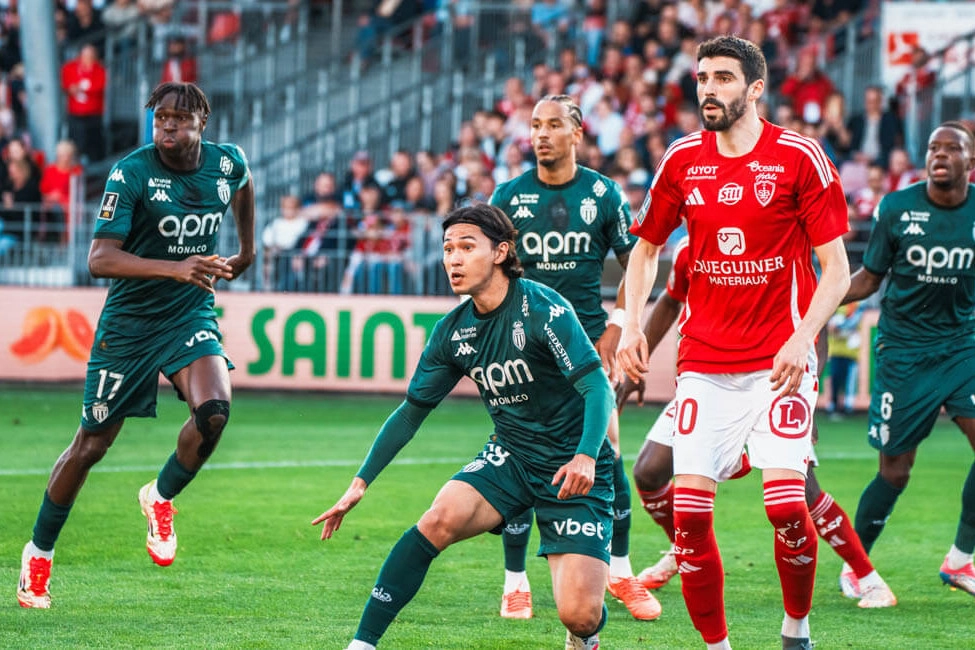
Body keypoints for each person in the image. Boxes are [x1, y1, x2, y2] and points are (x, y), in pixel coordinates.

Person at [617, 36, 851, 650]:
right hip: (704, 363)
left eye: (723, 77)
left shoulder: (800, 157)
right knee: (690, 517)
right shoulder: (681, 158)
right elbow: (645, 249)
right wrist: (633, 324)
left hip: (780, 363)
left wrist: (802, 338)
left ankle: (796, 631)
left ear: (755, 89)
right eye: (702, 78)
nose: (708, 89)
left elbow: (837, 270)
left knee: (786, 507)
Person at [314, 203, 616, 650]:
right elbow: (411, 413)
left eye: (467, 247)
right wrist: (360, 483)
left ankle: (583, 635)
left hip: (572, 467)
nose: (453, 259)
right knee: (438, 519)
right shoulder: (452, 332)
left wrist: (586, 456)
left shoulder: (542, 308)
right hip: (512, 457)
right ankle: (362, 644)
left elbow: (597, 387)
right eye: (447, 249)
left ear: (500, 252)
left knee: (580, 614)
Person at [17, 81, 255, 609]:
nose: (167, 126)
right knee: (91, 447)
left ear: (202, 124)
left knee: (214, 412)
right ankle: (39, 553)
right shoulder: (132, 173)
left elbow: (243, 183)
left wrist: (247, 251)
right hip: (129, 325)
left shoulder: (226, 162)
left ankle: (160, 496)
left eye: (179, 118)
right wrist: (176, 267)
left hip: (188, 313)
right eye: (160, 117)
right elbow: (99, 259)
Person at [618, 236, 896, 609]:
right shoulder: (689, 248)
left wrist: (807, 396)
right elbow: (670, 300)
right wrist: (638, 363)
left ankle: (868, 577)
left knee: (801, 493)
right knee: (649, 471)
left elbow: (814, 323)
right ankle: (681, 552)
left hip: (774, 379)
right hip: (709, 378)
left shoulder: (778, 241)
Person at [489, 94, 660, 622]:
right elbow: (494, 272)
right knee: (519, 455)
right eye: (535, 125)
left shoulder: (603, 193)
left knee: (607, 454)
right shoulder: (508, 196)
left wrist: (619, 325)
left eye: (553, 125)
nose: (541, 134)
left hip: (586, 345)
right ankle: (515, 582)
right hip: (524, 350)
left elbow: (637, 265)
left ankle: (621, 572)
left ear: (577, 133)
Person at [841, 121, 975, 600]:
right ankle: (856, 565)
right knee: (895, 471)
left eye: (952, 148)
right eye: (934, 147)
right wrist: (817, 301)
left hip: (962, 348)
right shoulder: (897, 208)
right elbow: (868, 278)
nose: (940, 154)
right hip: (904, 353)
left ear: (970, 161)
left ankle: (960, 560)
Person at [60, 43, 107, 163]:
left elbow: (99, 86)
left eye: (91, 55)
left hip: (93, 114)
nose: (88, 58)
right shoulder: (70, 67)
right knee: (75, 141)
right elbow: (65, 84)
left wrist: (81, 89)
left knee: (94, 142)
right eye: (86, 55)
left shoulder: (99, 69)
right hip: (75, 113)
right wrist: (71, 88)